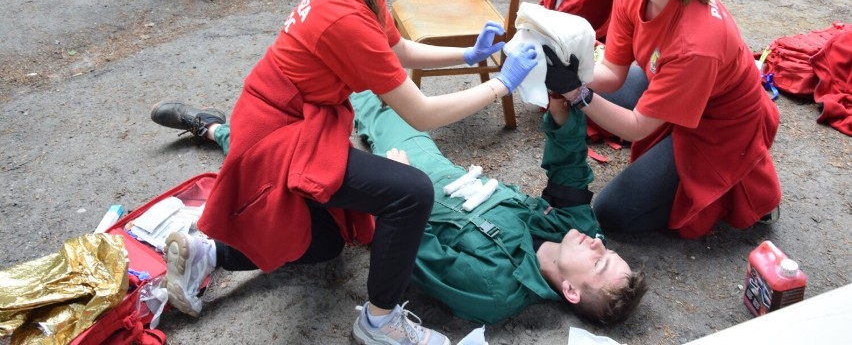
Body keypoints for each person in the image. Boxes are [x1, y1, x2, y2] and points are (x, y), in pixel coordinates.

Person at [153, 0, 538, 345]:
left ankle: (208, 251)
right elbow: (421, 112)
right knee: (412, 193)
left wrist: (470, 54)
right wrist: (500, 86)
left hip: (289, 115)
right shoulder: (346, 17)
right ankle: (379, 322)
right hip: (279, 133)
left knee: (326, 241)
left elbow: (398, 50)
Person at [151, 91, 647, 326]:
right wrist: (562, 115)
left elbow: (415, 252)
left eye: (600, 262)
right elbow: (569, 173)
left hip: (396, 203)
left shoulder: (498, 289)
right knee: (380, 99)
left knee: (297, 167)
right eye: (608, 250)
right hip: (433, 168)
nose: (599, 244)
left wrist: (392, 181)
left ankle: (213, 129)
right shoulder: (572, 230)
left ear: (571, 292)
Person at [543, 0, 782, 239]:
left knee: (613, 216)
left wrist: (575, 91)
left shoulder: (696, 44)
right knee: (597, 95)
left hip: (718, 124)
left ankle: (745, 181)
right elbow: (612, 71)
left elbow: (637, 127)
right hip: (670, 84)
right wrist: (573, 67)